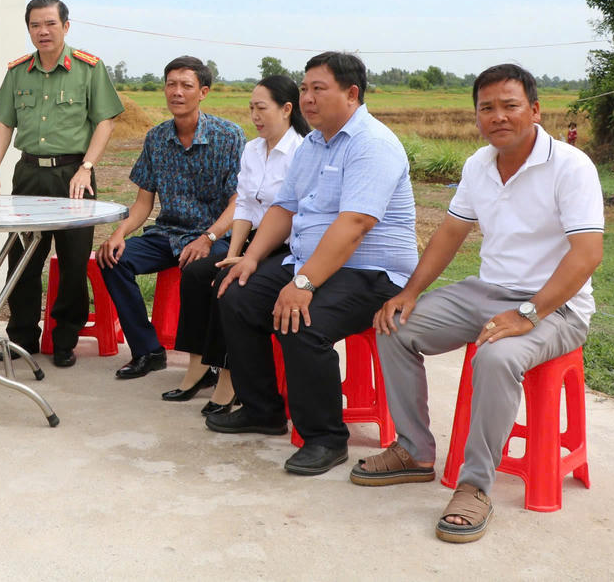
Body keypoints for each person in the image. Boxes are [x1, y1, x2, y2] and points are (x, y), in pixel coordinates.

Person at [352, 64, 603, 544]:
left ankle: (474, 486)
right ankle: (415, 451)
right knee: (395, 324)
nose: (498, 117)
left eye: (510, 105)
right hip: (487, 292)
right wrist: (409, 292)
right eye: (486, 108)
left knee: (497, 356)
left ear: (534, 109)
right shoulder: (478, 165)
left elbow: (587, 253)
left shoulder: (571, 166)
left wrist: (528, 313)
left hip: (557, 308)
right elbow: (451, 232)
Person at [214, 51, 417, 477]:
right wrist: (250, 258)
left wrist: (303, 283)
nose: (307, 98)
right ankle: (263, 410)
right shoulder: (313, 143)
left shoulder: (372, 144)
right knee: (238, 295)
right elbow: (284, 208)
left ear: (352, 93)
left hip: (373, 274)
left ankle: (326, 437)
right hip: (314, 262)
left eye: (318, 89)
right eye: (304, 89)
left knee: (302, 321)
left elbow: (355, 224)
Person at [0, 0, 124, 368]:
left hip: (73, 175)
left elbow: (106, 120)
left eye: (50, 24)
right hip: (29, 175)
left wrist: (87, 166)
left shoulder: (89, 68)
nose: (43, 31)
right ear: (29, 30)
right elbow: (5, 122)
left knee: (72, 262)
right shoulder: (19, 72)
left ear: (65, 26)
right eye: (35, 25)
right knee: (22, 260)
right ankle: (22, 337)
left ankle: (64, 338)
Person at [166, 75, 309, 411]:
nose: (255, 116)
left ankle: (229, 376)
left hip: (289, 245)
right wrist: (233, 254)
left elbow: (289, 212)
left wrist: (244, 260)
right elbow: (244, 203)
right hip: (254, 241)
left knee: (227, 284)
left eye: (262, 108)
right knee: (199, 272)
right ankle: (199, 365)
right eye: (251, 109)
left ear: (287, 109)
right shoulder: (253, 149)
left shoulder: (301, 151)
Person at [97, 56, 243, 380]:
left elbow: (239, 202)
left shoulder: (229, 136)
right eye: (171, 84)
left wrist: (208, 238)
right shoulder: (156, 138)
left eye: (186, 86)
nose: (177, 92)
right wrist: (119, 233)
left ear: (202, 92)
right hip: (168, 234)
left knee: (204, 271)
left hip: (217, 235)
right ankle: (147, 351)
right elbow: (142, 203)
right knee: (112, 259)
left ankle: (210, 360)